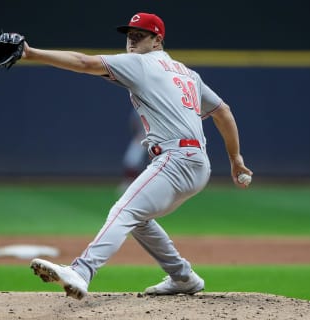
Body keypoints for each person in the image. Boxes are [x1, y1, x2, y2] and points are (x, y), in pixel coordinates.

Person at [23, 12, 253, 300]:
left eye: (140, 35)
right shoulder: (187, 73)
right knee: (139, 218)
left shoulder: (141, 63)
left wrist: (30, 53)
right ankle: (183, 277)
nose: (132, 40)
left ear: (157, 40)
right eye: (129, 35)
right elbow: (223, 111)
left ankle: (81, 271)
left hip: (176, 159)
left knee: (125, 211)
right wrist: (235, 158)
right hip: (197, 164)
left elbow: (84, 62)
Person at [118, 109, 148, 194]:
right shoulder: (137, 109)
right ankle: (129, 182)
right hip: (142, 136)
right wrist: (138, 134)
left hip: (157, 137)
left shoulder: (158, 105)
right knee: (132, 159)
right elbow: (134, 123)